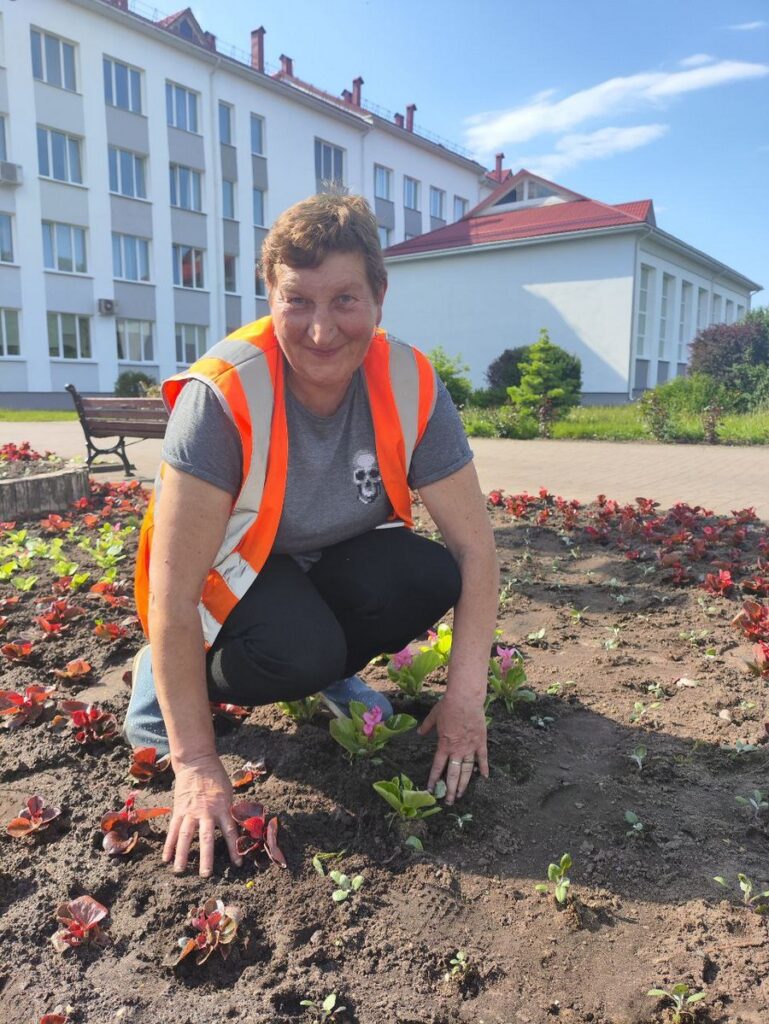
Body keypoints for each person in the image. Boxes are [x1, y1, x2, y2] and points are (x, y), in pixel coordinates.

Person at [125, 193, 499, 877]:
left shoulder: (411, 382)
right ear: (270, 296)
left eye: (345, 301)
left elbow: (475, 551)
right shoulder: (224, 394)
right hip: (225, 580)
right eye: (297, 301)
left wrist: (462, 702)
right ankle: (170, 674)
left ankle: (328, 669)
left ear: (379, 299)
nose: (321, 331)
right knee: (296, 649)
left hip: (323, 558)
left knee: (428, 574)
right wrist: (198, 764)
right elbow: (172, 593)